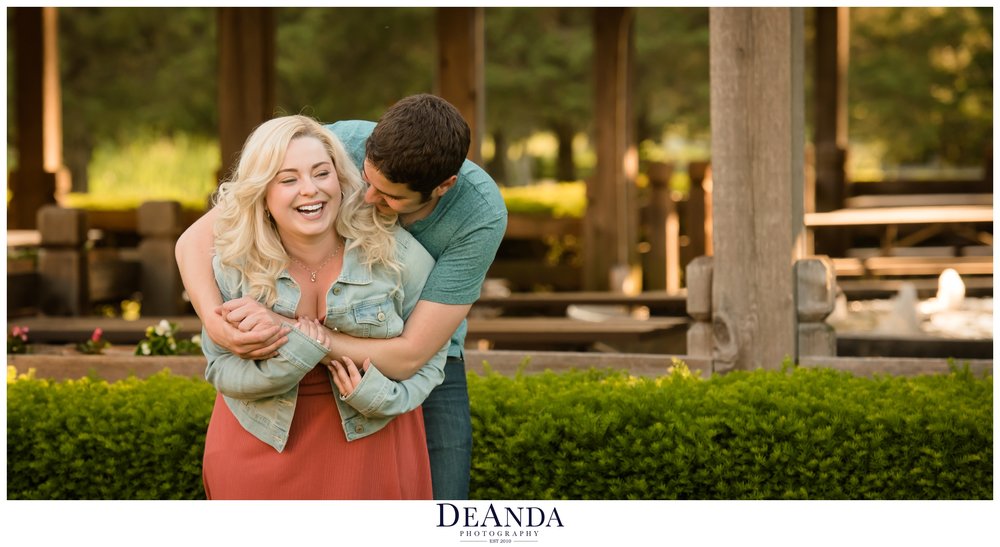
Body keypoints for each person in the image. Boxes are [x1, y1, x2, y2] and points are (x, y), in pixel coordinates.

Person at [176, 94, 508, 500]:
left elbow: (413, 354)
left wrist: (297, 335)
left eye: (391, 198)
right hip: (281, 417)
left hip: (411, 359)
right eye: (366, 180)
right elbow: (197, 239)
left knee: (443, 496)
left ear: (443, 188)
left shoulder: (480, 216)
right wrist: (215, 321)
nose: (367, 199)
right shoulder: (339, 144)